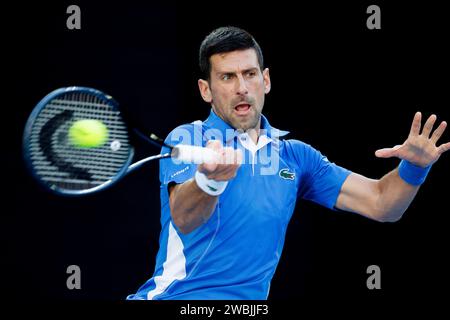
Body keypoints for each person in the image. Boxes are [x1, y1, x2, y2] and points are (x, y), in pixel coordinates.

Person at [127, 26, 450, 300]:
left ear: (265, 80)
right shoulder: (189, 137)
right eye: (227, 77)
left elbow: (383, 205)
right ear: (206, 90)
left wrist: (415, 167)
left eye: (249, 74)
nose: (241, 88)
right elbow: (184, 218)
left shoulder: (296, 156)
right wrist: (209, 181)